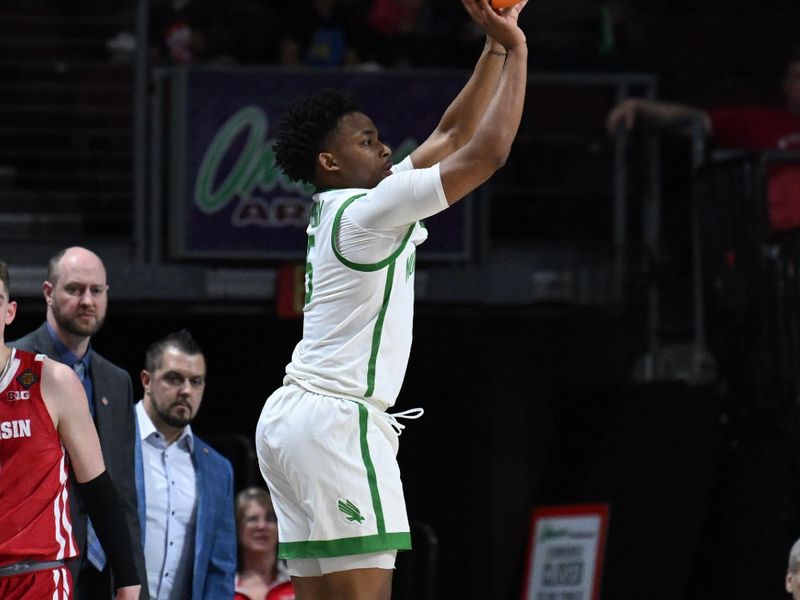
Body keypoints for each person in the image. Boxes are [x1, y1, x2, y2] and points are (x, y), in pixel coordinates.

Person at [255, 0, 528, 598]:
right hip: (335, 420)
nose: (384, 150)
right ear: (330, 162)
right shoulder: (368, 210)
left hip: (292, 420)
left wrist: (496, 45)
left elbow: (450, 133)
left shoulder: (344, 207)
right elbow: (487, 152)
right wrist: (523, 51)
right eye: (368, 141)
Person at [9, 246, 148, 599]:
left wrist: (132, 577)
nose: (87, 300)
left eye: (96, 290)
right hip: (38, 561)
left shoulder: (117, 381)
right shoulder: (17, 367)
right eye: (74, 289)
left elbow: (117, 491)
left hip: (94, 570)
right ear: (48, 293)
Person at [605, 46, 800, 232]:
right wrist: (642, 107)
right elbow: (696, 120)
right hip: (786, 240)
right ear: (786, 85)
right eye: (798, 77)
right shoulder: (760, 120)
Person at [135, 329, 236, 599]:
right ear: (146, 380)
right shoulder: (111, 440)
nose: (186, 391)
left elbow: (220, 568)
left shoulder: (217, 469)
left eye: (196, 381)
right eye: (173, 378)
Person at [234, 488, 295, 600]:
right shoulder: (224, 587)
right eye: (252, 519)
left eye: (270, 519)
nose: (262, 526)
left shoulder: (298, 583)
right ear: (238, 528)